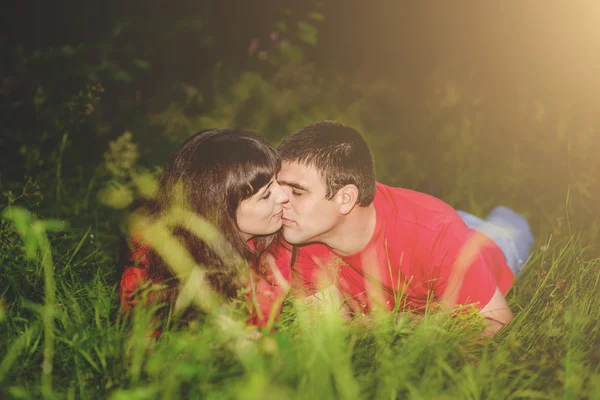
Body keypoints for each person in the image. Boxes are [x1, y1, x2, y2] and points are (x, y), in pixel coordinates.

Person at [275, 120, 534, 335]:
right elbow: (329, 332)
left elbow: (496, 323)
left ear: (346, 198)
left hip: (489, 247)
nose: (280, 200)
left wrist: (394, 324)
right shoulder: (304, 235)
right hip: (428, 223)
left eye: (297, 192)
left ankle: (513, 213)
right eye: (279, 188)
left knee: (512, 226)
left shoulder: (437, 234)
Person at [118, 129, 291, 328]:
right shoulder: (153, 253)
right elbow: (139, 333)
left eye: (277, 180)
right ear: (220, 208)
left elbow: (259, 325)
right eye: (266, 194)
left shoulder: (275, 247)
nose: (283, 196)